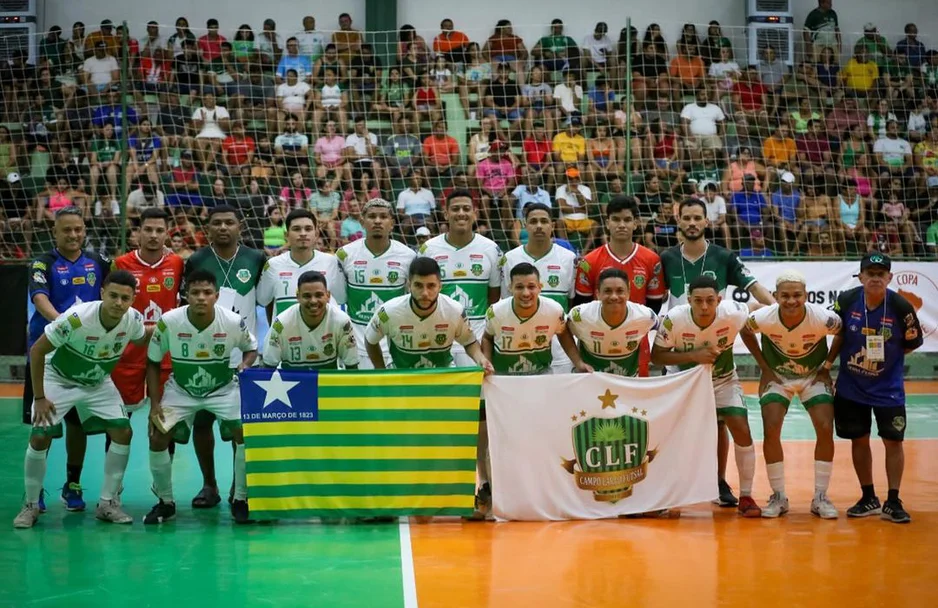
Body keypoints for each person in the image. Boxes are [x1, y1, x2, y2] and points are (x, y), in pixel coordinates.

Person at [660, 198, 776, 508]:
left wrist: (775, 307)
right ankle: (672, 488)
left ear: (707, 221)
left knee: (722, 423)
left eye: (698, 217)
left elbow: (754, 287)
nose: (693, 222)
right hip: (679, 350)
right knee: (674, 428)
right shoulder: (667, 258)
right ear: (679, 221)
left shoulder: (723, 257)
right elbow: (651, 299)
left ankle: (719, 481)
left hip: (714, 350)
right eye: (687, 217)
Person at [14, 271, 148, 528]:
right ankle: (30, 505)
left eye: (125, 298)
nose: (118, 303)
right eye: (113, 296)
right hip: (59, 378)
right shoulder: (76, 319)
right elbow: (38, 349)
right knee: (41, 434)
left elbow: (144, 337)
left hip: (97, 383)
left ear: (132, 299)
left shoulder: (132, 319)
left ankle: (107, 503)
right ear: (102, 293)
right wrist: (39, 397)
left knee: (123, 431)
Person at [144, 269, 257, 525]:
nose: (201, 298)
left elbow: (251, 348)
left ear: (216, 296)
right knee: (157, 434)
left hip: (223, 389)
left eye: (207, 293)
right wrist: (153, 405)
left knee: (243, 432)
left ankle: (241, 499)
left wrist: (245, 365)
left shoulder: (231, 321)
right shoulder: (169, 321)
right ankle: (166, 502)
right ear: (185, 296)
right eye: (195, 293)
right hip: (181, 390)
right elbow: (151, 361)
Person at [652, 275, 763, 518]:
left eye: (710, 301)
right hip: (684, 383)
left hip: (723, 380)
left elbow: (759, 309)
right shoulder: (674, 320)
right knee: (673, 437)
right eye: (698, 301)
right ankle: (669, 493)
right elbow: (657, 356)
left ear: (719, 300)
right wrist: (694, 356)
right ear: (689, 300)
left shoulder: (732, 313)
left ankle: (746, 495)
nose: (704, 306)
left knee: (741, 427)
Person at [824, 254, 923, 523]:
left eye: (882, 273)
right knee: (859, 439)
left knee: (893, 441)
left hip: (887, 389)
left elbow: (913, 342)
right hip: (851, 387)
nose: (876, 277)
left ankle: (893, 500)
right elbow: (840, 333)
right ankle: (868, 497)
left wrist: (887, 361)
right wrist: (828, 363)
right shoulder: (846, 300)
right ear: (861, 276)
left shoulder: (902, 306)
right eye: (870, 273)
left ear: (890, 278)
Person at [24, 207, 111, 512]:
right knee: (44, 424)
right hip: (48, 351)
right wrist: (63, 324)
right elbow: (39, 298)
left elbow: (116, 291)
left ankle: (72, 484)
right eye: (67, 230)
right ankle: (36, 493)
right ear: (55, 233)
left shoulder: (98, 262)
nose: (73, 235)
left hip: (86, 356)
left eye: (78, 229)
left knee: (77, 423)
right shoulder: (42, 263)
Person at [741, 270, 843, 519]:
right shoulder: (764, 316)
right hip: (778, 377)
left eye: (797, 295)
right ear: (775, 296)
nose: (791, 300)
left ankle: (820, 496)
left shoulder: (822, 317)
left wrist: (827, 367)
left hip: (812, 376)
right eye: (785, 296)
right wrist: (764, 368)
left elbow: (841, 332)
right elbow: (744, 330)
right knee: (772, 427)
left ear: (805, 295)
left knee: (824, 426)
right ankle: (779, 496)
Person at [182, 205, 265, 509]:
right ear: (207, 228)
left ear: (239, 226)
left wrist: (261, 345)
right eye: (216, 223)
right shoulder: (196, 260)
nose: (223, 228)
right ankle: (209, 485)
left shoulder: (256, 259)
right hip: (205, 356)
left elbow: (266, 302)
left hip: (244, 355)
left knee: (237, 427)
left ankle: (237, 485)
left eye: (229, 222)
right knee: (202, 422)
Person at [110, 209, 184, 446]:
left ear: (167, 234)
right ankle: (114, 483)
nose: (153, 235)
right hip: (128, 352)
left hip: (164, 353)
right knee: (119, 422)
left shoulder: (177, 263)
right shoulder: (121, 264)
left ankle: (162, 484)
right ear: (138, 233)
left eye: (159, 230)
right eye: (148, 229)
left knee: (163, 422)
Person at [574, 196, 665, 376]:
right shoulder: (589, 261)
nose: (621, 225)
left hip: (635, 339)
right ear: (607, 223)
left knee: (636, 398)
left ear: (636, 223)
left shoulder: (651, 260)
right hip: (596, 341)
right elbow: (581, 304)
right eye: (616, 219)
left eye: (627, 219)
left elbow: (654, 305)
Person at [365, 256, 494, 372]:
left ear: (440, 286)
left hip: (442, 377)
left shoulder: (455, 310)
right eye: (418, 285)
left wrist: (481, 359)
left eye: (431, 286)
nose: (425, 293)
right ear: (409, 286)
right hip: (401, 377)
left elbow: (469, 342)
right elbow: (370, 340)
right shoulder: (388, 311)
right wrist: (380, 371)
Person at [419, 190, 502, 366]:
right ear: (446, 213)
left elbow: (494, 296)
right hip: (437, 337)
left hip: (476, 337)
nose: (461, 213)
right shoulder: (429, 249)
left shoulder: (491, 249)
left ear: (475, 213)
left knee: (475, 393)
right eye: (455, 209)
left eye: (466, 208)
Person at [336, 198, 417, 369]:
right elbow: (339, 298)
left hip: (394, 344)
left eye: (383, 217)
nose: (378, 221)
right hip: (356, 345)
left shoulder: (408, 256)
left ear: (392, 223)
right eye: (372, 216)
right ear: (362, 222)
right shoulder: (345, 254)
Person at [500, 203, 577, 374]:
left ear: (553, 225)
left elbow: (571, 301)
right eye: (533, 221)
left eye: (544, 221)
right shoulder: (510, 258)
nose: (539, 226)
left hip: (559, 344)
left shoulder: (568, 258)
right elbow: (505, 303)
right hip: (520, 342)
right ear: (525, 226)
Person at [485, 261, 590, 376]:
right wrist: (488, 364)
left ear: (540, 287)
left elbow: (563, 333)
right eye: (519, 287)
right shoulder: (496, 311)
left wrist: (579, 363)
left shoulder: (554, 310)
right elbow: (487, 338)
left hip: (541, 375)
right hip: (503, 376)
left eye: (531, 287)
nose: (526, 293)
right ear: (510, 288)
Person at [567, 268, 658, 376]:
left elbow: (662, 328)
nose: (614, 296)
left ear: (628, 293)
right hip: (590, 381)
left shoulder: (645, 316)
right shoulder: (580, 315)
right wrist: (578, 362)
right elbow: (563, 331)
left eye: (620, 291)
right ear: (598, 294)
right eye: (607, 291)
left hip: (628, 381)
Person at [257, 209, 345, 319]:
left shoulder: (331, 262)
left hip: (323, 335)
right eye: (296, 229)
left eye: (308, 229)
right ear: (287, 235)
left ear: (316, 234)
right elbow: (264, 300)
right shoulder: (273, 265)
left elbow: (341, 299)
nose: (303, 233)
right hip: (286, 334)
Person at [262, 271, 358, 370]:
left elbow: (352, 366)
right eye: (307, 296)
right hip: (291, 383)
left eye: (319, 295)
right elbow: (268, 367)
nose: (313, 301)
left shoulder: (342, 321)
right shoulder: (281, 323)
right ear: (298, 297)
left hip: (327, 383)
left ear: (328, 296)